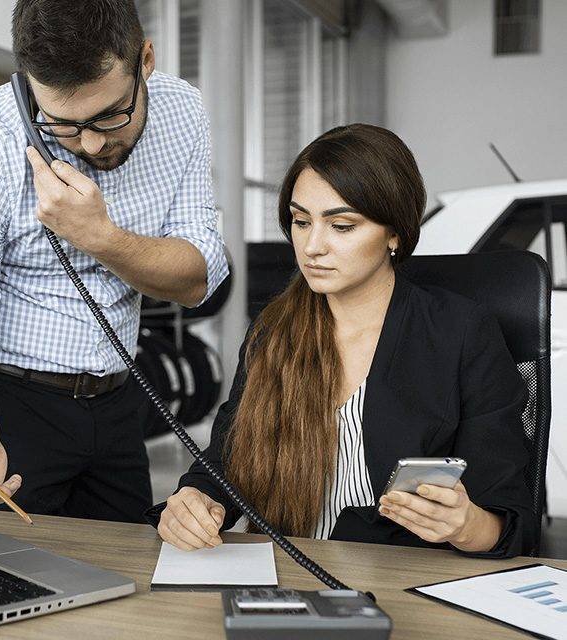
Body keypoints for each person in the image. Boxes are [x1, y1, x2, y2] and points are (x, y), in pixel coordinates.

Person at [151, 124, 532, 557]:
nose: (312, 246)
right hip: (285, 570)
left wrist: (465, 525)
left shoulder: (461, 333)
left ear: (395, 234)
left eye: (342, 226)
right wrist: (195, 500)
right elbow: (227, 459)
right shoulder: (274, 330)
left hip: (399, 576)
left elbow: (511, 523)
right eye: (300, 222)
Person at [0, 0, 227, 524]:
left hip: (120, 397)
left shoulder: (182, 111)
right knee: (9, 570)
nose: (90, 142)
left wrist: (99, 237)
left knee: (129, 564)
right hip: (9, 408)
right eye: (62, 124)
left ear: (145, 60)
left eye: (110, 114)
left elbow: (198, 279)